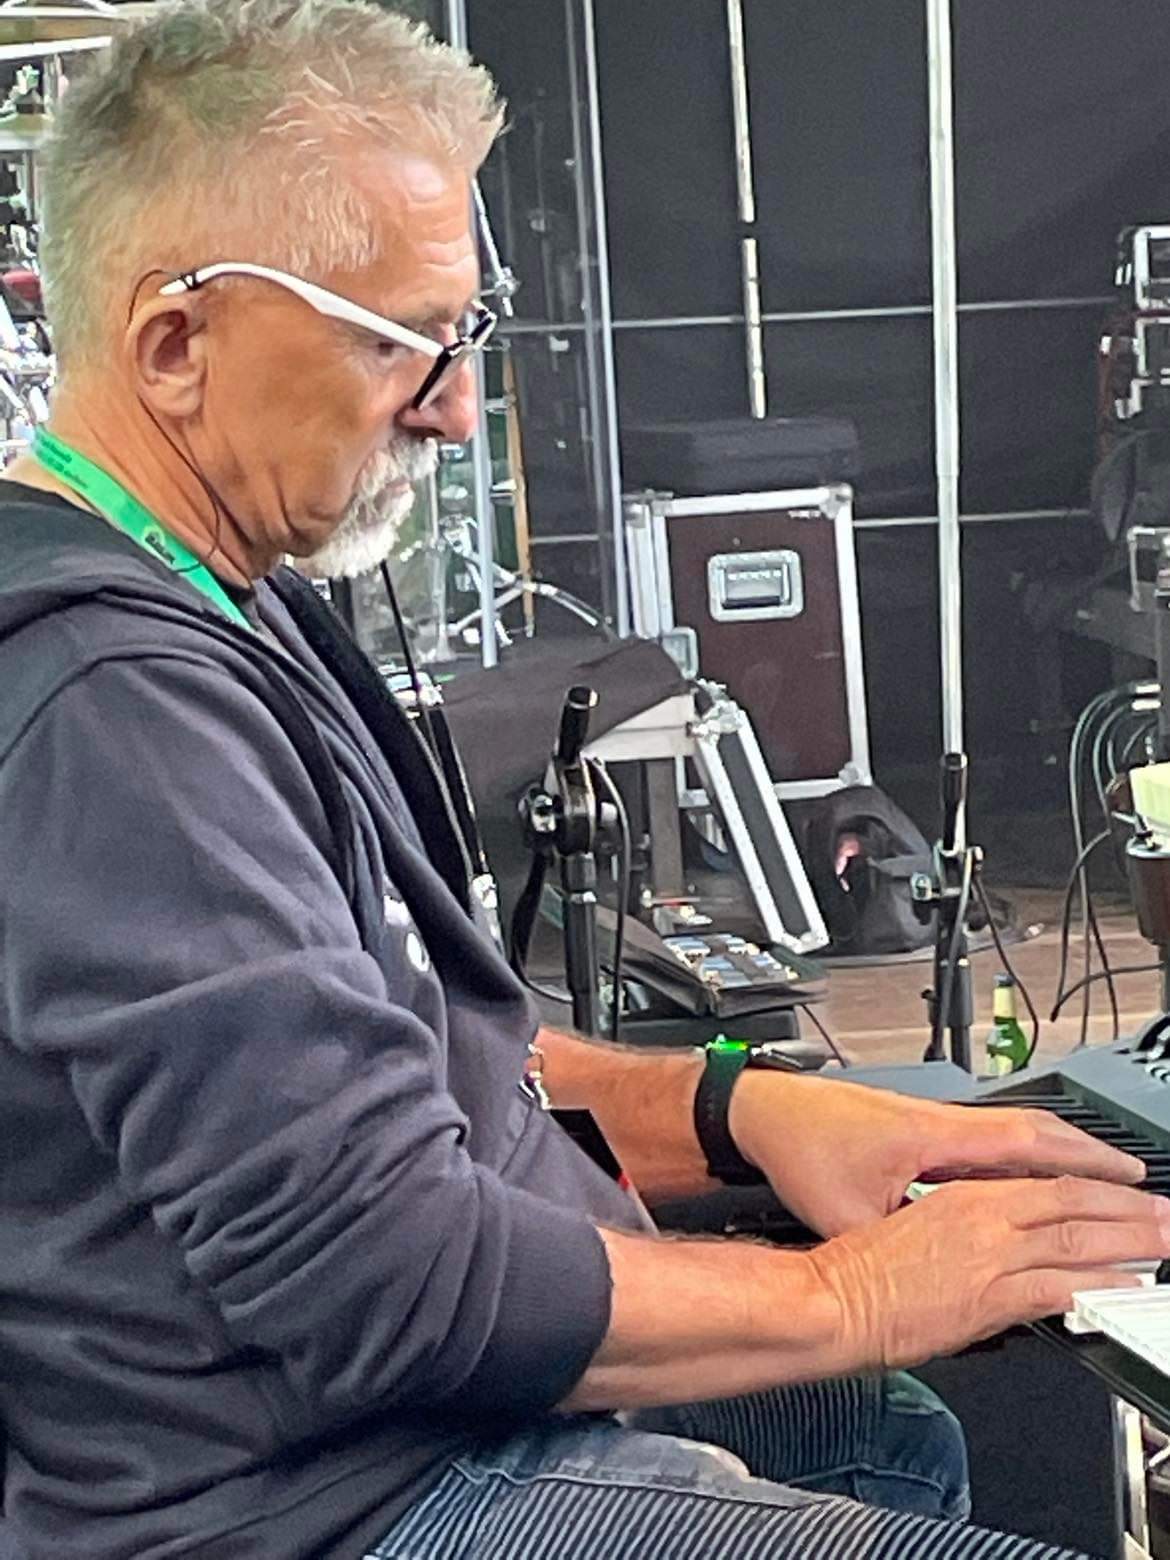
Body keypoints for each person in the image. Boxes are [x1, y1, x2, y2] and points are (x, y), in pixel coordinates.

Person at [0, 4, 1164, 1556]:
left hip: (383, 1428)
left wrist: (740, 1110)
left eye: (463, 336)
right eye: (401, 342)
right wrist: (857, 1290)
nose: (454, 405)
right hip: (301, 1501)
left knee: (881, 1434)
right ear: (174, 344)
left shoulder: (217, 591)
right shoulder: (113, 706)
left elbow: (406, 1050)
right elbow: (380, 1276)